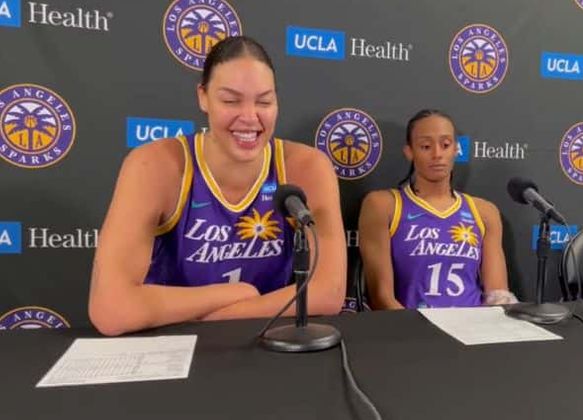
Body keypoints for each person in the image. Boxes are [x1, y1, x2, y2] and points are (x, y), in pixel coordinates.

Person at [89, 36, 346, 335]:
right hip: (173, 344)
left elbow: (328, 292)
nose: (250, 117)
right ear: (203, 97)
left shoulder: (307, 166)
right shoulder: (155, 164)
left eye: (264, 101)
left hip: (269, 341)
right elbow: (111, 309)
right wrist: (237, 293)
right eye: (230, 101)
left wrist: (222, 316)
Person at [358, 109, 517, 309]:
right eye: (426, 146)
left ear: (456, 150)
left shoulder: (484, 212)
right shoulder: (383, 205)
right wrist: (420, 328)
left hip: (473, 324)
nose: (437, 154)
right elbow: (381, 297)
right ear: (409, 152)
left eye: (445, 145)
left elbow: (498, 296)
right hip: (412, 325)